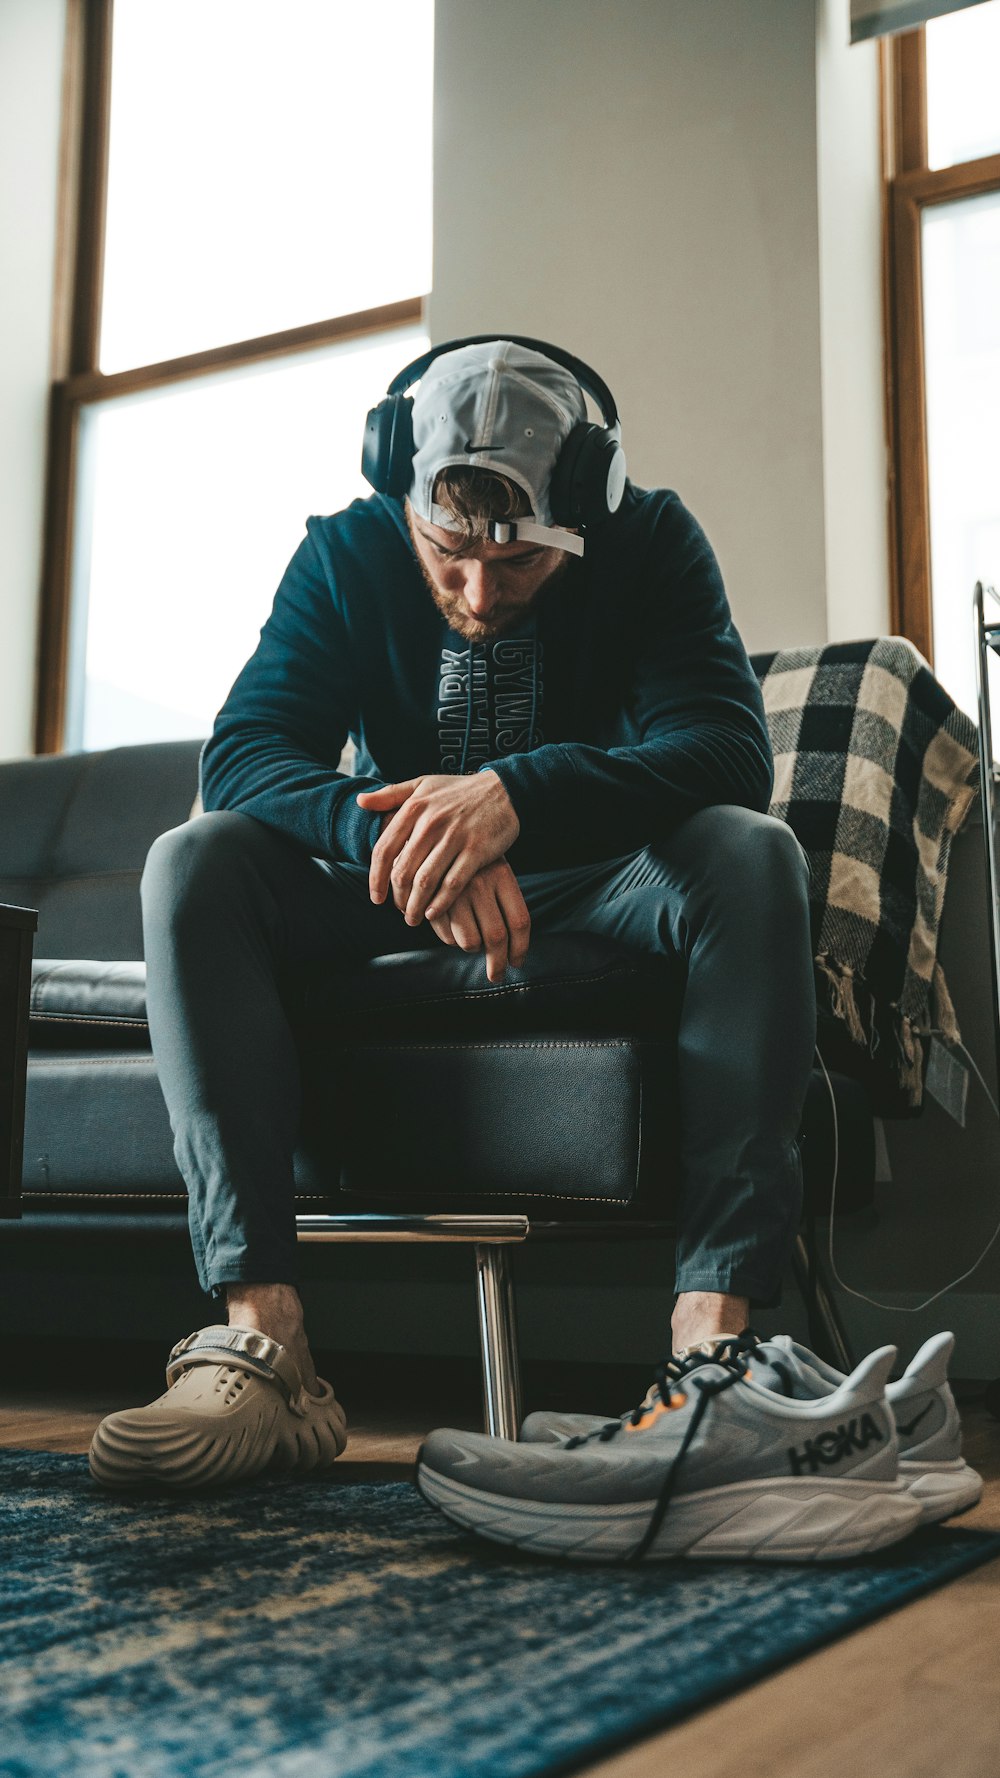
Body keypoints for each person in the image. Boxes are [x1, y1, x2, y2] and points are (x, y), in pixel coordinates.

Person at [88, 336, 818, 1494]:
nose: (480, 595)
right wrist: (395, 832)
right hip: (391, 884)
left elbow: (725, 748)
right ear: (403, 495)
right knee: (194, 861)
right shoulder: (343, 551)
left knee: (751, 852)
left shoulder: (651, 538)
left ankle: (710, 1357)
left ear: (581, 507)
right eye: (450, 555)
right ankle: (267, 1343)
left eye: (520, 562)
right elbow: (246, 756)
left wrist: (515, 798)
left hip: (591, 880)